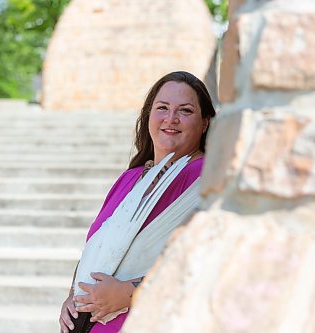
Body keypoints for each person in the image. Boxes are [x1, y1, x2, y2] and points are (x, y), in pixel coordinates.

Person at [59, 71, 216, 333]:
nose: (171, 118)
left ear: (205, 123)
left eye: (185, 111)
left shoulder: (207, 176)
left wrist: (130, 293)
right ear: (148, 116)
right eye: (162, 108)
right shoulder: (130, 179)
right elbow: (97, 248)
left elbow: (211, 260)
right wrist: (71, 295)